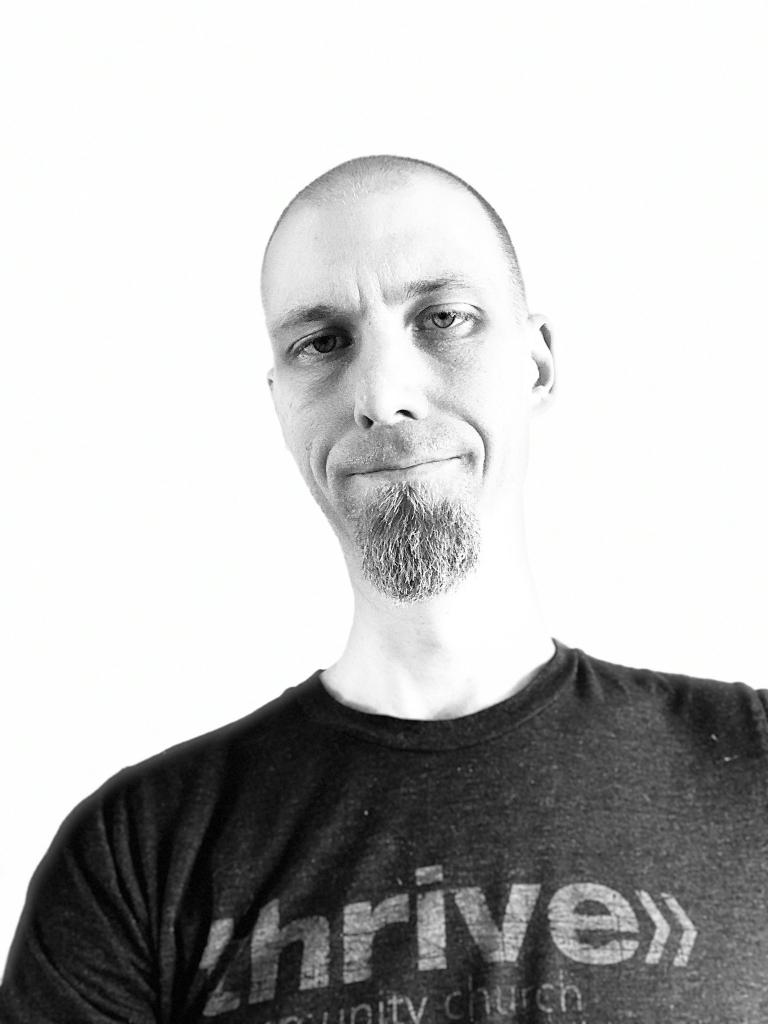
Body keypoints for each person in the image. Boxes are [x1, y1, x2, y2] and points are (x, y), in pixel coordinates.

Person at [1, 155, 765, 1024]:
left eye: (444, 318)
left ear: (537, 364)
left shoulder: (754, 764)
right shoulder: (135, 857)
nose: (382, 395)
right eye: (322, 343)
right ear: (281, 403)